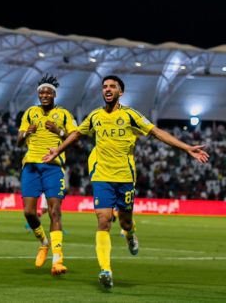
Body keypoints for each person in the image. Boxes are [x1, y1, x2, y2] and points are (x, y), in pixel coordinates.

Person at [43, 75, 209, 288]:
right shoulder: (94, 116)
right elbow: (76, 135)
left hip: (125, 177)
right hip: (102, 176)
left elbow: (156, 132)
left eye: (113, 86)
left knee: (125, 221)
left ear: (121, 92)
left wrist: (186, 148)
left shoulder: (131, 115)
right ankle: (105, 270)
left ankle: (130, 233)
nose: (108, 89)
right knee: (103, 221)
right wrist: (58, 149)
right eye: (105, 87)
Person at [16, 74, 76, 275]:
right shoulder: (30, 113)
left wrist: (59, 131)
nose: (44, 94)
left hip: (53, 167)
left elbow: (75, 137)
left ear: (54, 95)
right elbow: (18, 140)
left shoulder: (64, 115)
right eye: (41, 91)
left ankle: (58, 260)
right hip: (31, 166)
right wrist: (27, 133)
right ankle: (43, 242)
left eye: (48, 91)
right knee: (29, 213)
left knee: (54, 211)